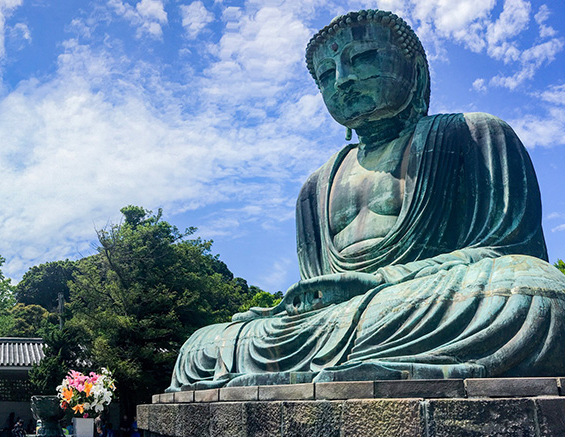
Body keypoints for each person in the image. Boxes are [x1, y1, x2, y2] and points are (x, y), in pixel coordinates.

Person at [167, 9, 565, 390]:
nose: (342, 80)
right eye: (327, 74)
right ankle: (353, 360)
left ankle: (359, 359)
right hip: (339, 322)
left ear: (417, 70)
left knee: (533, 294)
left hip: (419, 299)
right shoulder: (314, 187)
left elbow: (512, 251)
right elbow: (316, 289)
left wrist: (379, 281)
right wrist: (289, 310)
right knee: (203, 347)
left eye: (364, 57)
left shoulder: (474, 134)